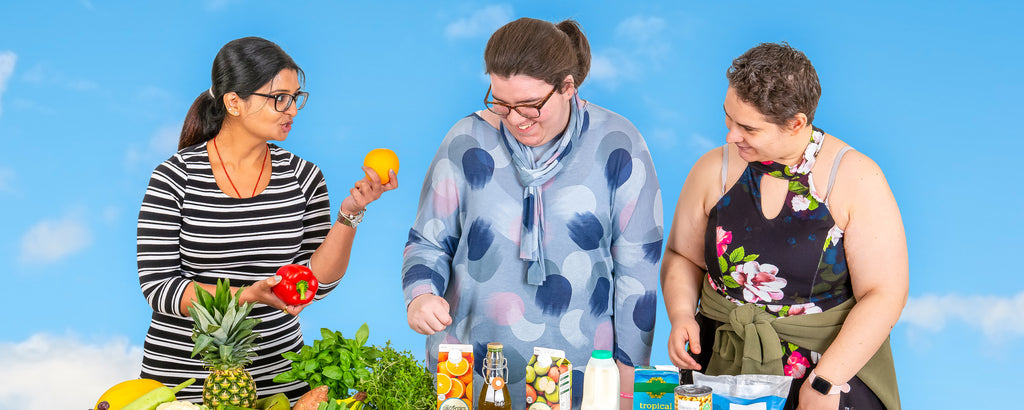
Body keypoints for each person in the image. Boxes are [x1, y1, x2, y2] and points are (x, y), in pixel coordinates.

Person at [402, 17, 663, 409]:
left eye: (530, 105)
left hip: (585, 380)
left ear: (568, 87)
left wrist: (628, 379)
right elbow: (428, 240)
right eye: (501, 102)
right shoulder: (466, 139)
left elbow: (638, 270)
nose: (516, 118)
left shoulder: (619, 143)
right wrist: (420, 296)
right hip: (468, 376)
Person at [136, 36, 396, 402]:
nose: (291, 109)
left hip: (280, 382)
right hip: (183, 385)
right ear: (234, 103)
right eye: (279, 99)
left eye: (295, 98)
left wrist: (350, 215)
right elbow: (160, 288)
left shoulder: (304, 176)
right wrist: (245, 296)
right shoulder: (174, 177)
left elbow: (316, 284)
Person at [661, 42, 908, 409]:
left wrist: (826, 381)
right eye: (728, 118)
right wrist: (681, 314)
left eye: (748, 128)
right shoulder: (715, 169)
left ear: (796, 123)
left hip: (823, 370)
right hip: (720, 363)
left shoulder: (856, 180)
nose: (731, 135)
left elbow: (885, 294)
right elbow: (683, 255)